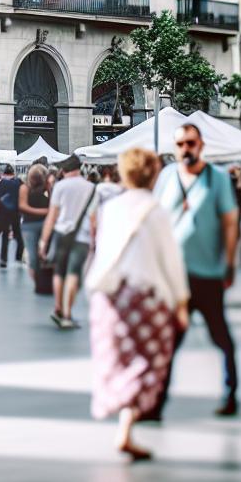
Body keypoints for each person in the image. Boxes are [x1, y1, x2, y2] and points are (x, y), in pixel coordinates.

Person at [86, 148, 188, 462]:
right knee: (149, 360)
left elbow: (101, 249)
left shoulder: (111, 208)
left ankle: (124, 426)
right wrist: (180, 301)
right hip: (145, 297)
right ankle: (127, 426)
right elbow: (169, 259)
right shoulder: (155, 210)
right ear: (154, 174)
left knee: (119, 359)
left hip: (110, 298)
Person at [149, 124, 241, 419]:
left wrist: (229, 262)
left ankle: (231, 393)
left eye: (190, 143)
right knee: (168, 340)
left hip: (207, 274)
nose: (185, 149)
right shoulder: (166, 177)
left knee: (219, 335)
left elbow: (229, 222)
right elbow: (155, 220)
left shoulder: (218, 179)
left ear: (201, 145)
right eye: (180, 144)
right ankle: (156, 402)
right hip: (174, 277)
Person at [40, 157, 97, 330]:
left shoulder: (60, 186)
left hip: (61, 233)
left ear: (65, 170)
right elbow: (94, 218)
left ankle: (58, 307)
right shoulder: (91, 188)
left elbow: (52, 215)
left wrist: (44, 240)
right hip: (83, 236)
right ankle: (67, 312)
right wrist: (94, 240)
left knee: (59, 272)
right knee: (73, 273)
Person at [20, 164, 53, 296]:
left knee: (42, 255)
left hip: (38, 224)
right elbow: (22, 206)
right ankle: (39, 284)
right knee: (34, 255)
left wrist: (50, 187)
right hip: (33, 224)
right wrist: (44, 212)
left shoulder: (47, 188)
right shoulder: (24, 188)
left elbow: (53, 202)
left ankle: (43, 283)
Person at [0, 164, 24, 267]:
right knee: (18, 236)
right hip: (16, 213)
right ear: (13, 173)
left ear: (3, 173)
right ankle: (18, 257)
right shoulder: (19, 183)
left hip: (2, 213)